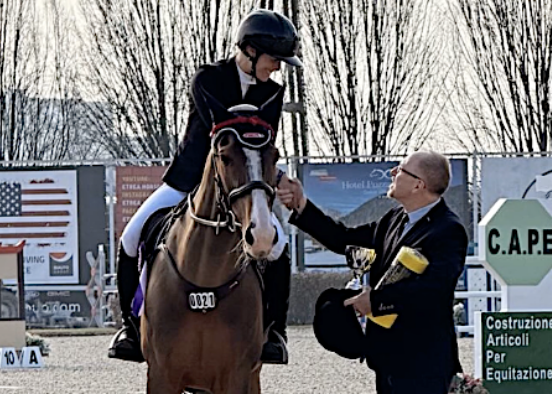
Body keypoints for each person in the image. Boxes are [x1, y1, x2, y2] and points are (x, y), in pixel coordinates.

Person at [114, 9, 302, 364]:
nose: (277, 67)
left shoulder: (274, 93)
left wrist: (275, 180)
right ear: (248, 50)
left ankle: (275, 331)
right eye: (274, 59)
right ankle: (130, 326)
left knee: (279, 245)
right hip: (190, 178)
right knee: (131, 235)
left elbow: (263, 146)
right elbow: (222, 132)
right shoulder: (208, 79)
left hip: (244, 185)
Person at [278, 151, 468, 394]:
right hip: (387, 360)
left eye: (400, 169)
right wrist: (301, 205)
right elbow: (343, 239)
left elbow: (433, 290)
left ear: (418, 185)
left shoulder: (448, 230)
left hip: (425, 364)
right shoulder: (394, 219)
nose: (393, 173)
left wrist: (376, 302)